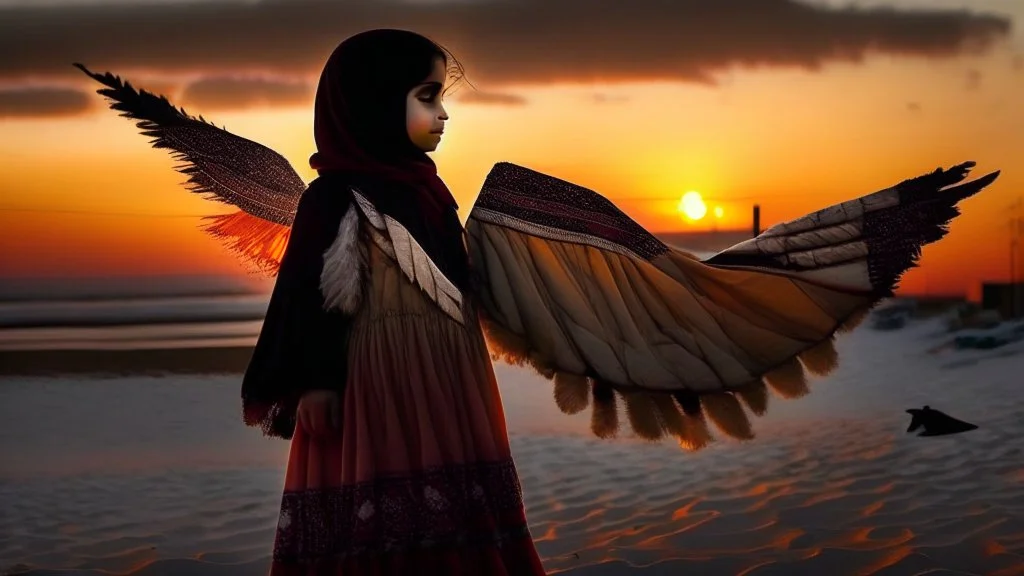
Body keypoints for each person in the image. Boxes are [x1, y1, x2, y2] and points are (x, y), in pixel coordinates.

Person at [241, 30, 548, 574]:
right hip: (374, 380)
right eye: (427, 97)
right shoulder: (333, 196)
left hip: (449, 376)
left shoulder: (429, 191)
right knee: (385, 504)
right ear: (376, 103)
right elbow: (307, 296)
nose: (444, 114)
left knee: (456, 493)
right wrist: (316, 381)